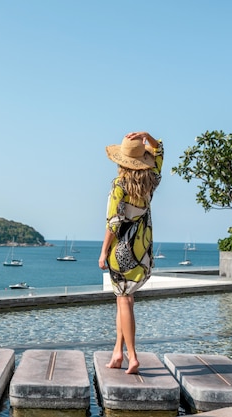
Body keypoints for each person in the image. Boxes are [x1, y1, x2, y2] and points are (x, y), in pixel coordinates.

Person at [99, 131, 163, 374]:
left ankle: (133, 357)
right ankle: (118, 353)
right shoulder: (152, 180)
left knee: (124, 300)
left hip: (122, 250)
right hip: (141, 248)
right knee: (124, 300)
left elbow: (113, 223)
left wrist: (103, 252)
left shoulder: (119, 185)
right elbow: (160, 152)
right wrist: (148, 137)